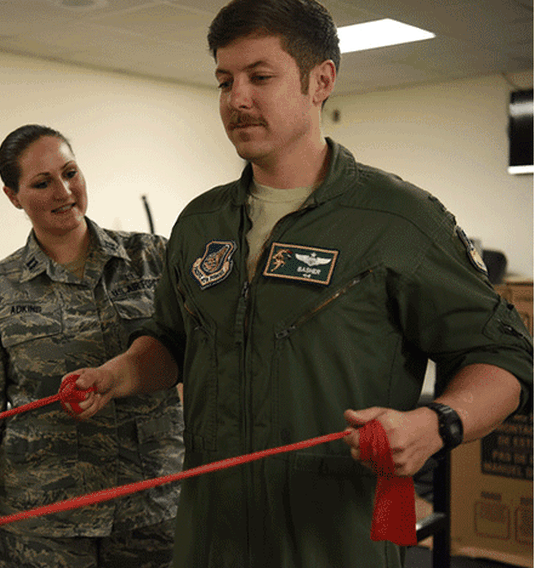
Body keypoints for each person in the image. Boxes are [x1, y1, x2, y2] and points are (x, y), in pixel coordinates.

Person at [65, 1, 533, 567]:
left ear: (321, 80)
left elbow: (505, 357)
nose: (237, 99)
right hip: (211, 537)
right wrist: (119, 375)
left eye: (260, 77)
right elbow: (172, 341)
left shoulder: (398, 221)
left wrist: (436, 424)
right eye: (224, 81)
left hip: (334, 540)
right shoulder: (199, 223)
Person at [0, 124, 184, 568]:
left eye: (70, 172)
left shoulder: (154, 259)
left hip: (151, 515)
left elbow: (205, 358)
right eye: (42, 182)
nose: (64, 190)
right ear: (13, 196)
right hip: (42, 531)